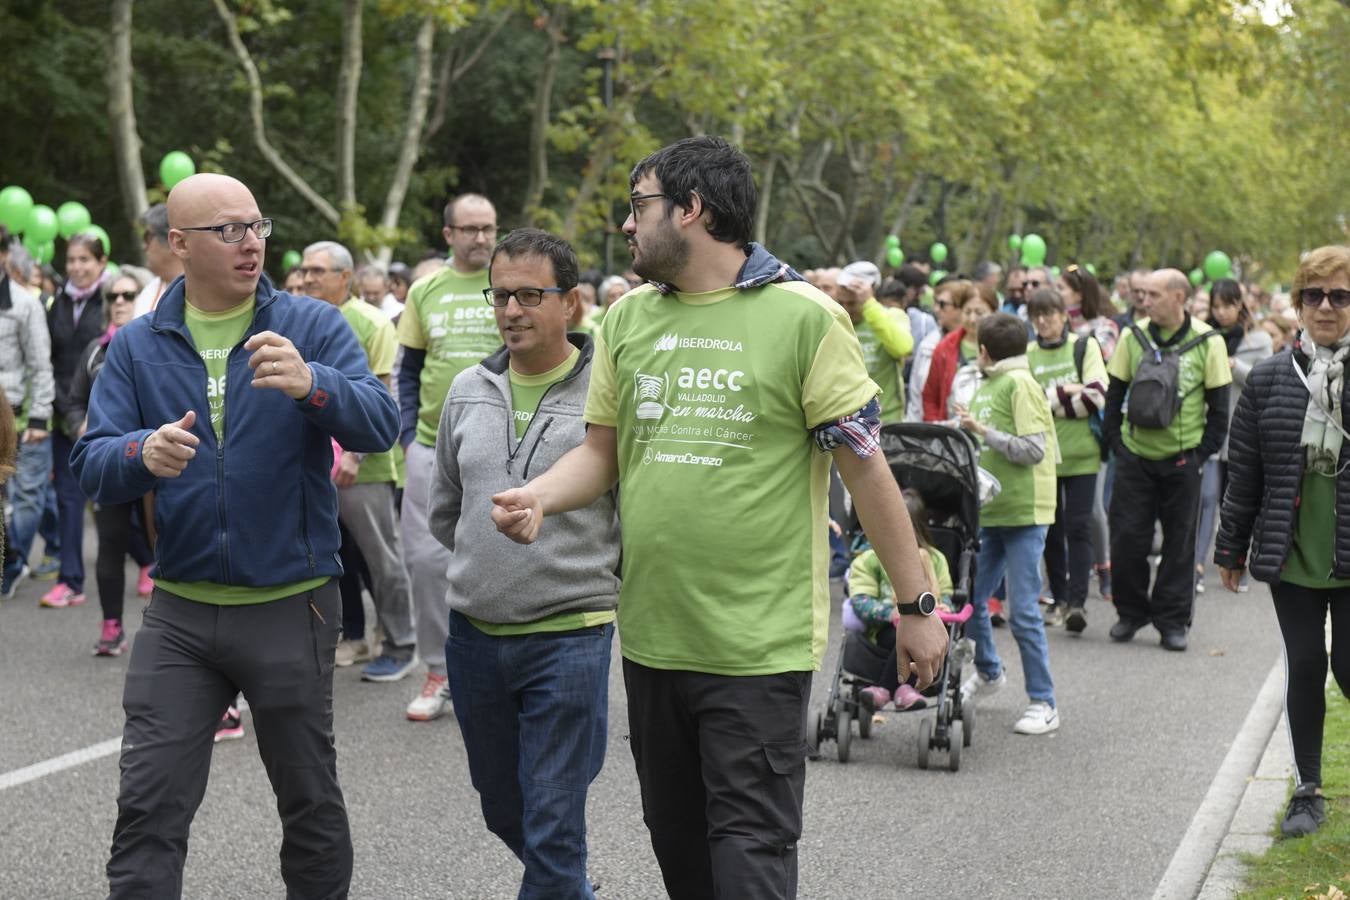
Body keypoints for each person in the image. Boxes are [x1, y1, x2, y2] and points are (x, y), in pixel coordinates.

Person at [490, 137, 946, 899]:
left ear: (691, 210)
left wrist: (916, 605)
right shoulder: (629, 320)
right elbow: (602, 453)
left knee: (749, 864)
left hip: (758, 648)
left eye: (639, 205)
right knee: (685, 864)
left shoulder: (804, 316)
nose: (627, 225)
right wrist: (541, 493)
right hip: (653, 640)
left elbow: (866, 470)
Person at [70, 173, 398, 898]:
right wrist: (138, 454)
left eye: (257, 226)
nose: (251, 243)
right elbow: (91, 464)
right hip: (181, 612)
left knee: (308, 801)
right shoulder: (137, 345)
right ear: (179, 245)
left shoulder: (310, 325)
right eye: (229, 230)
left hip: (293, 603)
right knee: (148, 804)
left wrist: (315, 384)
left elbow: (380, 423)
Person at [428, 229, 619, 899]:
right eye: (501, 295)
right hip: (474, 636)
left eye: (530, 295)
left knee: (552, 820)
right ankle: (569, 887)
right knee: (502, 806)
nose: (512, 310)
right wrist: (487, 569)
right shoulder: (466, 387)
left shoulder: (607, 389)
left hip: (570, 634)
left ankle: (560, 881)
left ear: (571, 303)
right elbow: (445, 509)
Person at [1215, 245, 1350, 839]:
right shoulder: (1270, 378)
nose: (1326, 307)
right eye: (1314, 295)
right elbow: (1243, 471)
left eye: (1341, 296)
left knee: (1347, 665)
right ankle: (1308, 791)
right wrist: (1229, 548)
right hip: (1290, 548)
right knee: (1305, 664)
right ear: (1298, 304)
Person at [396, 192, 500, 721]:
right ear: (449, 235)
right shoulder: (425, 289)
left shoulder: (509, 280)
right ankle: (438, 669)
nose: (481, 237)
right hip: (430, 442)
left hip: (502, 444)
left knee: (505, 553)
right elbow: (407, 367)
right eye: (470, 229)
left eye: (488, 228)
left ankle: (493, 672)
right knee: (426, 558)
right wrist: (407, 434)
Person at [301, 241, 418, 683]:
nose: (309, 278)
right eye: (306, 271)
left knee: (382, 560)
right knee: (330, 559)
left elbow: (384, 396)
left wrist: (353, 454)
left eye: (318, 271)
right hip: (312, 462)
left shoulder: (371, 322)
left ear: (345, 277)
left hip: (361, 467)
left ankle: (401, 644)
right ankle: (344, 637)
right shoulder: (298, 318)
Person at [1102, 268, 1231, 651]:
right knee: (1126, 540)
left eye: (1155, 294)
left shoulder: (1208, 342)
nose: (1146, 301)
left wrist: (1199, 455)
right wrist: (1117, 446)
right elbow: (1114, 396)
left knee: (1179, 546)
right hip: (1134, 458)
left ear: (1179, 298)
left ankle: (1172, 621)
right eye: (1144, 294)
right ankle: (1131, 613)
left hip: (1182, 462)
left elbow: (1219, 410)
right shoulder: (1132, 336)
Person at [956, 312, 1061, 734]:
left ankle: (1044, 702)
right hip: (992, 510)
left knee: (1022, 612)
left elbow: (1034, 449)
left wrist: (983, 430)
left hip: (1025, 512)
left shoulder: (1021, 384)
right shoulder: (989, 383)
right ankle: (988, 672)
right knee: (969, 603)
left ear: (983, 350)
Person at [67, 271, 157, 654]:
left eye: (128, 294)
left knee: (163, 548)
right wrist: (81, 425)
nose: (119, 301)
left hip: (157, 461)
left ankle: (169, 639)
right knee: (110, 542)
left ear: (144, 297)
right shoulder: (94, 351)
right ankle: (111, 628)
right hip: (114, 461)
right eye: (112, 295)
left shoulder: (159, 345)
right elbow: (73, 402)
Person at [1025, 289, 1108, 633]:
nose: (1043, 321)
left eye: (1049, 313)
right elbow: (1026, 403)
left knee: (1078, 526)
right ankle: (1058, 598)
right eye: (1036, 315)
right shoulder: (1027, 353)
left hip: (1082, 453)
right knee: (1051, 530)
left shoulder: (1083, 345)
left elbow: (1097, 396)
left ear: (1064, 314)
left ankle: (1077, 604)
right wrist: (1068, 391)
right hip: (1043, 457)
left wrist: (1049, 399)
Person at [43, 232, 110, 608]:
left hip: (101, 416)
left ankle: (149, 558)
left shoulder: (113, 298)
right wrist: (64, 408)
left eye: (85, 260)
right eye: (72, 260)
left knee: (116, 501)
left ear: (101, 262)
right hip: (63, 414)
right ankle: (70, 580)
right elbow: (48, 355)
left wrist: (89, 415)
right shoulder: (57, 301)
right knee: (69, 499)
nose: (77, 267)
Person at [1193, 278, 1272, 594]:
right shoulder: (1203, 338)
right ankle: (1197, 565)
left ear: (1240, 304)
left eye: (1228, 305)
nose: (1222, 312)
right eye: (1216, 306)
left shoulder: (1260, 340)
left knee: (1239, 500)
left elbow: (1264, 378)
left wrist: (1233, 364)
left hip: (1244, 432)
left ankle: (1238, 561)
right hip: (1210, 429)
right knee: (1207, 498)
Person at [853, 488, 954, 712]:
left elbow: (947, 594)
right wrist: (889, 613)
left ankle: (886, 689)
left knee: (921, 633)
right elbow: (860, 600)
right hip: (884, 630)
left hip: (927, 629)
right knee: (902, 633)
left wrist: (944, 605)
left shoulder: (936, 560)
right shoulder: (869, 559)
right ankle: (902, 688)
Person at [0, 229, 55, 600]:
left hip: (19, 419)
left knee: (28, 498)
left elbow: (40, 365)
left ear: (5, 255)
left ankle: (14, 560)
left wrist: (38, 418)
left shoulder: (25, 304)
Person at [835, 260, 913, 422]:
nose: (846, 309)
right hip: (846, 419)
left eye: (852, 303)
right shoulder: (836, 319)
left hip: (887, 418)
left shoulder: (891, 315)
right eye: (841, 303)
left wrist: (869, 306)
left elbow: (903, 348)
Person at [922, 281, 997, 422]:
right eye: (967, 312)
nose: (972, 319)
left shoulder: (1004, 345)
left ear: (995, 311)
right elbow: (930, 396)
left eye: (979, 313)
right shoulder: (944, 348)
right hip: (953, 433)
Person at [906, 277, 966, 422]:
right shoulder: (928, 344)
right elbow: (916, 396)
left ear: (961, 308)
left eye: (943, 304)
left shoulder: (976, 344)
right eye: (936, 303)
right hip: (930, 429)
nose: (936, 309)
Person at [131, 203, 184, 318]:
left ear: (173, 241)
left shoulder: (202, 288)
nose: (144, 246)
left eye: (147, 237)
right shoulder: (148, 291)